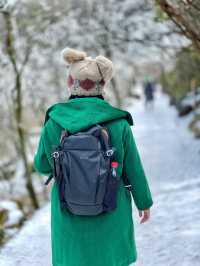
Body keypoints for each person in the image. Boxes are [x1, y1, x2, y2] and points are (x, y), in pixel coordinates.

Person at [34, 48, 153, 266]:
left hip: (67, 208)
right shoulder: (119, 123)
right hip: (111, 207)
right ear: (103, 85)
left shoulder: (54, 122)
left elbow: (41, 165)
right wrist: (143, 202)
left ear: (71, 83)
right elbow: (133, 168)